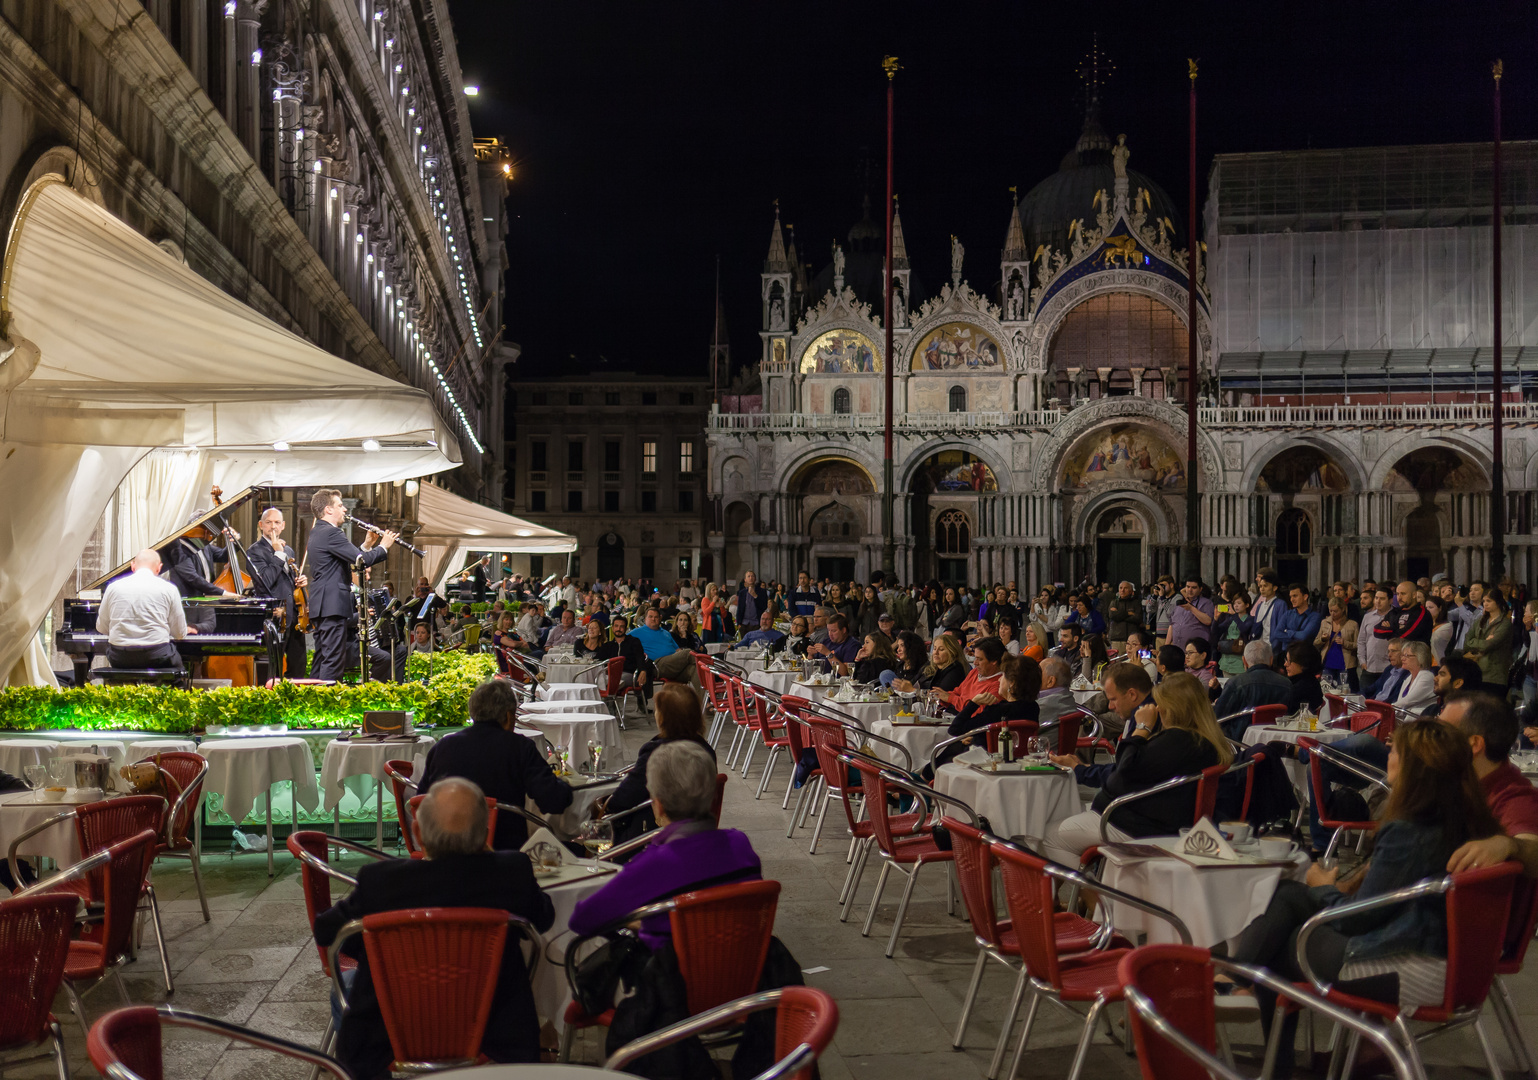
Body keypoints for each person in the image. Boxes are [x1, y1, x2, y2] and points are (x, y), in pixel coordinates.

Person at [1231, 721, 1505, 1074]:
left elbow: (1355, 918)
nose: (1388, 756)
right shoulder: (1471, 821)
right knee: (1288, 899)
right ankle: (1236, 983)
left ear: (1414, 768)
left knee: (1278, 945)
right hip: (1457, 966)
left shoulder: (1411, 831)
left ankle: (1240, 990)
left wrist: (1322, 887)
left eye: (1395, 752)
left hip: (1408, 968)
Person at [314, 776, 554, 1078]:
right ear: (485, 833)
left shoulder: (380, 882)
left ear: (417, 832)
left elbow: (327, 931)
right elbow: (544, 918)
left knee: (346, 988)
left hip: (391, 1029)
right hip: (492, 1026)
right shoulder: (511, 873)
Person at [570, 741, 761, 950]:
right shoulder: (741, 845)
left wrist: (635, 922)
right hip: (744, 972)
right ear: (714, 795)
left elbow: (581, 919)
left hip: (674, 976)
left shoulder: (653, 864)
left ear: (658, 804)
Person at [1043, 672, 1231, 865]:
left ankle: (1093, 894)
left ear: (1172, 708)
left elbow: (1124, 772)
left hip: (1137, 825)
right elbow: (1136, 768)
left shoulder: (1177, 741)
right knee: (1068, 825)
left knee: (1047, 837)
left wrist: (1141, 728)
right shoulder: (1205, 741)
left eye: (1160, 704)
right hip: (1159, 819)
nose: (1156, 708)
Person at [417, 679, 574, 849]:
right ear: (508, 716)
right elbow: (553, 801)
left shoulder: (443, 746)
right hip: (505, 852)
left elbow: (421, 801)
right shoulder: (519, 747)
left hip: (446, 850)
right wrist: (563, 784)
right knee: (577, 848)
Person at [602, 684, 717, 841]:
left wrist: (604, 804)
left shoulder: (657, 752)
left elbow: (624, 798)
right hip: (698, 833)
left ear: (663, 718)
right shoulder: (706, 750)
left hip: (648, 836)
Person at [306, 489, 396, 681]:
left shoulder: (319, 531)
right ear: (328, 509)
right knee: (333, 659)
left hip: (323, 604)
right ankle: (329, 705)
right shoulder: (331, 532)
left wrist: (366, 546)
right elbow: (361, 561)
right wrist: (384, 547)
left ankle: (314, 702)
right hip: (331, 605)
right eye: (340, 505)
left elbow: (349, 559)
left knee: (322, 657)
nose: (345, 509)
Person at [931, 655, 1042, 773]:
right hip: (1019, 763)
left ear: (1012, 684)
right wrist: (977, 736)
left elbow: (955, 729)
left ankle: (924, 780)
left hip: (988, 765)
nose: (999, 680)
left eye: (1003, 676)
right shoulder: (1033, 708)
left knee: (952, 751)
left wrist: (974, 703)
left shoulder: (997, 711)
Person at [96, 549, 192, 670]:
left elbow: (101, 627)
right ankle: (176, 686)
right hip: (157, 655)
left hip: (120, 657)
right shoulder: (169, 589)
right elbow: (179, 634)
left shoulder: (113, 587)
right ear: (159, 568)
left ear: (132, 565)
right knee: (180, 671)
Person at [246, 507, 309, 678]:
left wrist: (300, 581)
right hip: (274, 616)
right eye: (268, 522)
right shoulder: (254, 551)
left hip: (294, 615)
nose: (273, 526)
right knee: (273, 669)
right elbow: (266, 580)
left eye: (277, 523)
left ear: (283, 525)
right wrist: (278, 554)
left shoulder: (288, 550)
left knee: (298, 665)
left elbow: (287, 580)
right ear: (261, 525)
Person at [1212, 641, 1293, 735]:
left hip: (1238, 742)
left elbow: (1217, 717)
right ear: (1271, 660)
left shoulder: (1236, 683)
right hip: (1276, 742)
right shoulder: (1287, 684)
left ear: (1244, 661)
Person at [160, 512, 240, 599]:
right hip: (188, 601)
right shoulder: (178, 549)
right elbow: (192, 578)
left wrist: (234, 541)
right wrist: (223, 593)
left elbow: (222, 556)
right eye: (205, 529)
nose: (208, 533)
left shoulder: (205, 546)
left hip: (207, 599)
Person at [1464, 589, 1515, 699]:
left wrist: (1479, 643)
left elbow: (1489, 645)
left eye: (1489, 601)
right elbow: (1467, 641)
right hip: (1478, 672)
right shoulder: (1481, 620)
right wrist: (1483, 642)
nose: (1485, 604)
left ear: (1498, 602)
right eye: (1484, 601)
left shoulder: (1504, 623)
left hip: (1495, 675)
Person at [938, 637, 1007, 714]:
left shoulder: (999, 685)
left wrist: (951, 698)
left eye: (979, 659)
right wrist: (940, 698)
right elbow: (957, 693)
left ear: (994, 661)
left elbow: (978, 713)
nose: (975, 663)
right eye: (975, 658)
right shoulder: (975, 672)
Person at [892, 634, 966, 695]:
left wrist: (913, 690)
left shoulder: (955, 669)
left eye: (941, 649)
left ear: (952, 652)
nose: (936, 653)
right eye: (934, 648)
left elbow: (940, 696)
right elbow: (912, 683)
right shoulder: (928, 666)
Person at [1313, 596, 1359, 691]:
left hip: (1345, 665)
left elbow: (1358, 645)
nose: (1333, 614)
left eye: (1336, 611)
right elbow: (1315, 643)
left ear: (1342, 609)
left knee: (1343, 692)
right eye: (1330, 611)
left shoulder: (1352, 624)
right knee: (1326, 692)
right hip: (1328, 663)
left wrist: (1345, 643)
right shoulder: (1325, 623)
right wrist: (1323, 639)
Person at [1212, 592, 1257, 680]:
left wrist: (1234, 615)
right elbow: (1216, 631)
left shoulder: (1250, 619)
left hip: (1240, 660)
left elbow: (1244, 629)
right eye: (1234, 603)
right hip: (1226, 658)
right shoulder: (1230, 619)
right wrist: (1215, 619)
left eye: (1239, 603)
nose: (1236, 606)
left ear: (1247, 605)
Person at [1164, 577, 1215, 650]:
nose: (1190, 590)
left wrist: (1191, 608)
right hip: (1178, 649)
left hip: (1197, 650)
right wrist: (1167, 645)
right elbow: (1172, 625)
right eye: (1188, 587)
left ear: (1200, 589)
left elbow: (1208, 621)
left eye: (1194, 588)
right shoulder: (1179, 603)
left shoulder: (1206, 603)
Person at [1357, 587, 1392, 690]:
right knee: (1364, 699)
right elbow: (1361, 640)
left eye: (1382, 598)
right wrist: (1362, 660)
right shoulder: (1368, 617)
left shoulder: (1395, 616)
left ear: (1390, 600)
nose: (1378, 601)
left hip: (1387, 668)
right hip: (1369, 668)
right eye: (1376, 598)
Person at [1273, 583, 1323, 653]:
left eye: (1295, 596)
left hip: (1304, 655)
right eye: (1290, 597)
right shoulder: (1288, 614)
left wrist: (1288, 632)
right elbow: (1277, 633)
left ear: (1305, 597)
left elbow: (1304, 636)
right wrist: (1297, 637)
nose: (1292, 599)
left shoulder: (1315, 616)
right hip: (1286, 655)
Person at [1390, 640, 1437, 715]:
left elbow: (1408, 701)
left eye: (1407, 655)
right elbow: (1400, 704)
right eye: (1402, 655)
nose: (1402, 659)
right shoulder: (1409, 677)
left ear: (1420, 658)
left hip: (1419, 722)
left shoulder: (1427, 676)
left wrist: (1387, 708)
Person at [1284, 641, 1325, 714]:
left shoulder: (1301, 688)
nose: (1285, 664)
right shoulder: (1311, 680)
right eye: (1286, 660)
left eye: (1289, 661)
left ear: (1303, 664)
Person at [1250, 569, 1285, 650]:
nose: (1262, 589)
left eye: (1265, 586)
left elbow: (1281, 627)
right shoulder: (1260, 606)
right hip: (1259, 646)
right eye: (1261, 586)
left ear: (1274, 587)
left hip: (1272, 647)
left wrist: (1275, 646)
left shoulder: (1280, 604)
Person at [1106, 581, 1142, 654]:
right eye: (1121, 588)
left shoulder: (1136, 603)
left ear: (1131, 591)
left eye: (1125, 588)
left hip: (1132, 639)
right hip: (1117, 638)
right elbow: (1112, 615)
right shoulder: (1114, 602)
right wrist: (1128, 613)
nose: (1122, 590)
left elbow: (1138, 618)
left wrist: (1119, 615)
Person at [1427, 595, 1453, 666]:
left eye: (1431, 607)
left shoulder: (1447, 626)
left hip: (1437, 663)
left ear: (1440, 608)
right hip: (1425, 662)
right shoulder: (1425, 623)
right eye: (1426, 607)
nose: (1428, 610)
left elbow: (1434, 641)